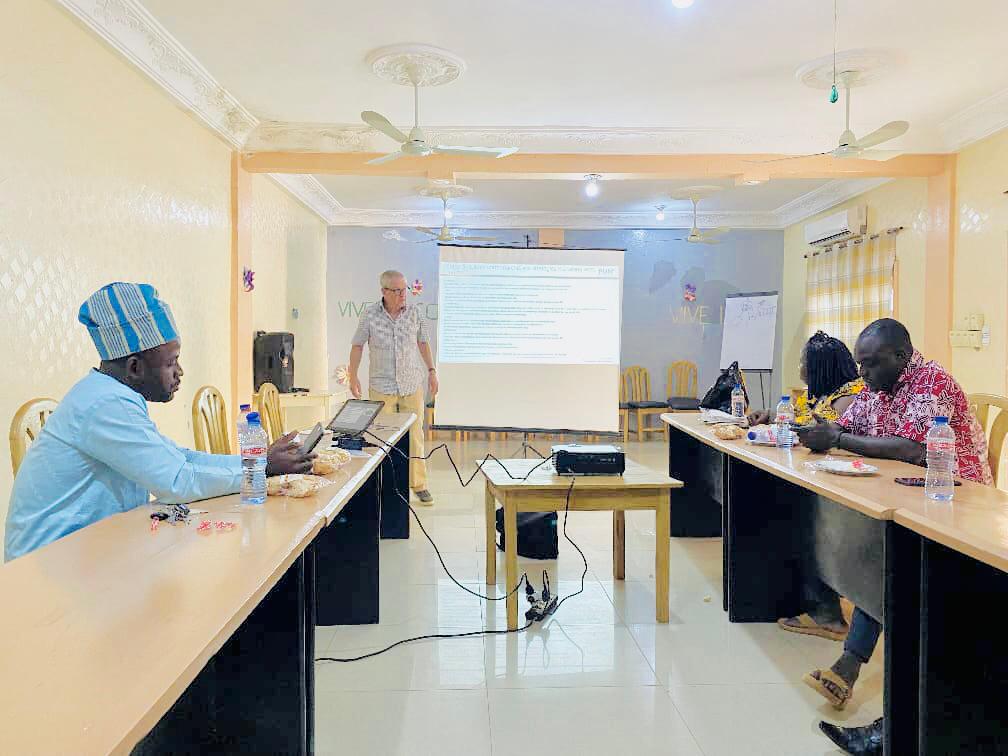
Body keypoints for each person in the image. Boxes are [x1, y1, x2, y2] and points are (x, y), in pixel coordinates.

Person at [4, 282, 315, 562]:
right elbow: (177, 482)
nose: (179, 372)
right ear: (135, 367)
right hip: (48, 566)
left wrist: (257, 461)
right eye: (171, 362)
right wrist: (260, 467)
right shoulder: (105, 403)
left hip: (90, 551)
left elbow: (181, 458)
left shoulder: (109, 394)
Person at [795, 318, 992, 755]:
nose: (862, 373)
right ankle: (849, 668)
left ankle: (877, 703)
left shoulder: (931, 383)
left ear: (901, 357)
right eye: (859, 364)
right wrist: (816, 428)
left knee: (892, 564)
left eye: (870, 364)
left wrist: (841, 437)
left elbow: (911, 450)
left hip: (957, 499)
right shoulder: (879, 384)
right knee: (879, 558)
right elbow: (850, 422)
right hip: (909, 492)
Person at [748, 331, 867, 641]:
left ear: (821, 368)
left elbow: (831, 437)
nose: (800, 367)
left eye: (804, 362)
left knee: (798, 513)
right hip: (828, 474)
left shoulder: (849, 399)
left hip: (848, 487)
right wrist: (772, 415)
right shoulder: (825, 393)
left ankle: (826, 611)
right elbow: (803, 420)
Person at [348, 270, 437, 505]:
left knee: (415, 436)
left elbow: (423, 342)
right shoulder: (370, 315)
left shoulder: (415, 313)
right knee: (381, 438)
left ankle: (419, 484)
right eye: (396, 290)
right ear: (384, 292)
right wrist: (353, 375)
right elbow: (357, 345)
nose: (402, 295)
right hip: (381, 386)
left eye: (404, 289)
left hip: (411, 384)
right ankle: (385, 486)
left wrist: (431, 371)